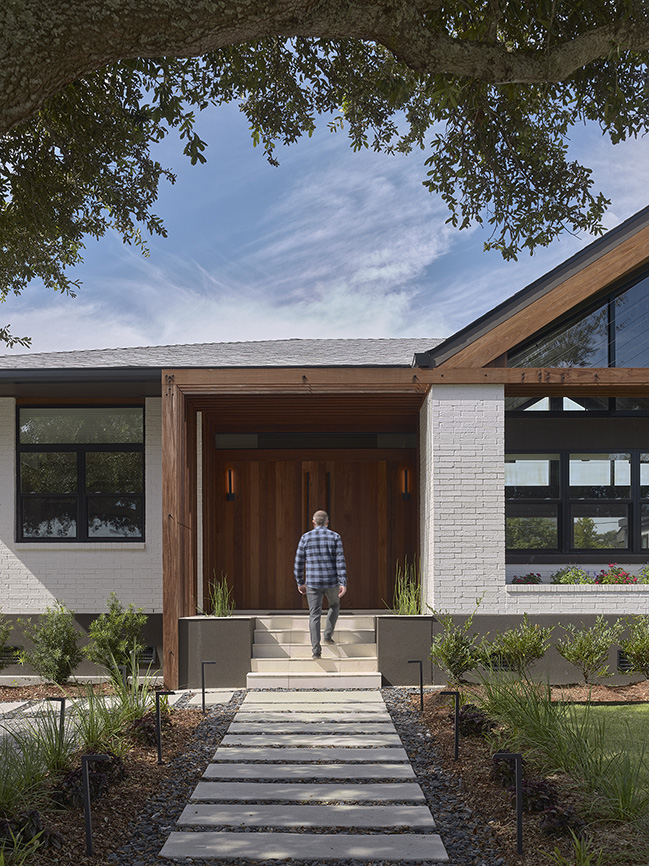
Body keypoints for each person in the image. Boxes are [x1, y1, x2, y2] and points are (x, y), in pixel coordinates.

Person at [293, 510, 347, 658]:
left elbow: (298, 562)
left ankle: (316, 651)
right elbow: (340, 561)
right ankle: (328, 635)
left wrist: (300, 582)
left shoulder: (306, 537)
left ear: (313, 522)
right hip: (331, 581)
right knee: (334, 606)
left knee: (314, 615)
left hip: (313, 582)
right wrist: (343, 581)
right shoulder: (335, 537)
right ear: (327, 522)